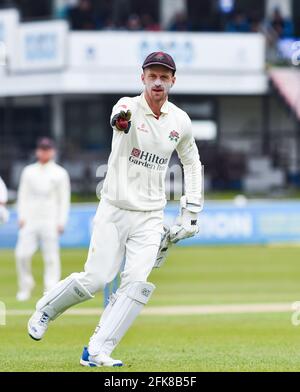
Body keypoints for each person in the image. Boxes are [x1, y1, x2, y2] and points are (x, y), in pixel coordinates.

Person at [28, 52, 203, 367]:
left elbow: (191, 162)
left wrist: (191, 209)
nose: (158, 82)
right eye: (153, 75)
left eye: (164, 76)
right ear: (143, 78)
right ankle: (46, 309)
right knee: (96, 279)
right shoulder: (127, 107)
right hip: (114, 209)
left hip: (150, 215)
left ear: (173, 81)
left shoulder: (181, 121)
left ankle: (96, 350)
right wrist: (121, 121)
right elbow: (119, 118)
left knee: (136, 285)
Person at [15, 138, 71, 302]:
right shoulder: (28, 171)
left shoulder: (60, 173)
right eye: (41, 149)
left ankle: (50, 289)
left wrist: (61, 221)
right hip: (30, 219)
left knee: (51, 257)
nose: (44, 152)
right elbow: (22, 195)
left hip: (50, 219)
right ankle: (25, 286)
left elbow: (64, 199)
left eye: (47, 149)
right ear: (37, 151)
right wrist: (21, 216)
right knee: (21, 255)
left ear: (53, 151)